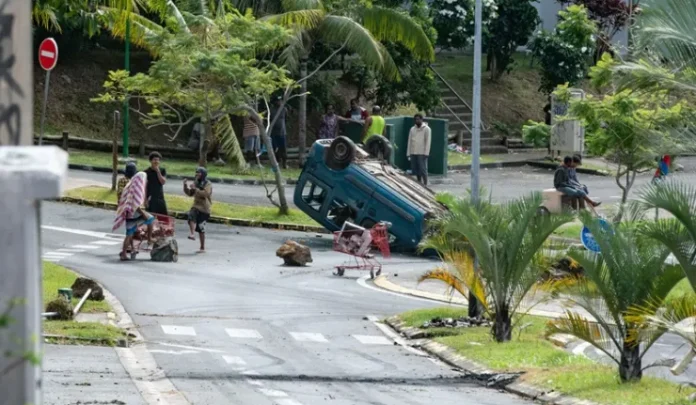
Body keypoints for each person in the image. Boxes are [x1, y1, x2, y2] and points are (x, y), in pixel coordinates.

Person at [113, 172, 155, 261]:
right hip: (135, 214)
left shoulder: (130, 186)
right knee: (151, 219)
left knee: (129, 234)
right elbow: (136, 205)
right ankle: (149, 239)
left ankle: (124, 253)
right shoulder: (137, 188)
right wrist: (143, 215)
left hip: (128, 214)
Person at [184, 167, 213, 253]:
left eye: (199, 173)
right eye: (196, 172)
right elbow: (190, 193)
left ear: (203, 174)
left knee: (201, 228)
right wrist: (185, 186)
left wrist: (196, 189)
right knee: (191, 215)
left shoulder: (208, 183)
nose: (197, 174)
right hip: (196, 206)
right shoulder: (196, 182)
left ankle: (202, 247)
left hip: (205, 208)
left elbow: (205, 194)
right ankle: (192, 234)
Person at [407, 113, 432, 186]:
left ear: (421, 119)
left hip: (422, 152)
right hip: (413, 152)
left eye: (418, 119)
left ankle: (425, 183)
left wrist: (426, 153)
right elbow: (410, 141)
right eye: (415, 119)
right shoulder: (412, 129)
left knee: (423, 169)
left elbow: (428, 142)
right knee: (416, 169)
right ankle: (419, 182)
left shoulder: (427, 129)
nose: (417, 121)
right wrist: (408, 153)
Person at [269, 97, 288, 169]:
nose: (279, 102)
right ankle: (276, 162)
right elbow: (269, 120)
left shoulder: (284, 109)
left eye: (280, 101)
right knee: (274, 148)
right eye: (277, 101)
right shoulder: (271, 110)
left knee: (283, 148)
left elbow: (286, 119)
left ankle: (284, 163)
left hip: (282, 132)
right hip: (273, 132)